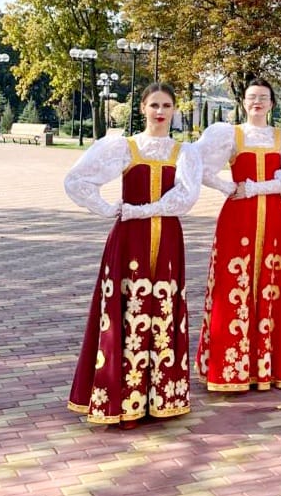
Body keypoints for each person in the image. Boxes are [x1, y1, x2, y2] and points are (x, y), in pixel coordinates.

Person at [64, 82, 202, 426]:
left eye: (167, 105)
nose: (160, 111)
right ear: (142, 108)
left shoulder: (184, 153)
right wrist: (106, 207)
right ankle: (120, 395)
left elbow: (185, 199)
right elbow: (77, 180)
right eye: (154, 104)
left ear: (174, 110)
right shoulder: (124, 148)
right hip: (128, 241)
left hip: (166, 237)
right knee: (125, 310)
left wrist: (140, 211)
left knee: (164, 309)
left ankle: (160, 396)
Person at [194, 79, 281, 392]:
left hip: (273, 216)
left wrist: (253, 188)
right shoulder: (230, 135)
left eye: (264, 98)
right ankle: (230, 368)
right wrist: (229, 187)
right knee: (232, 286)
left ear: (272, 104)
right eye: (252, 97)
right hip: (237, 217)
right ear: (243, 102)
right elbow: (201, 168)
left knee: (274, 284)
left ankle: (271, 367)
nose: (258, 102)